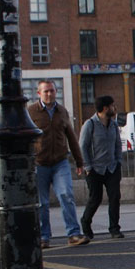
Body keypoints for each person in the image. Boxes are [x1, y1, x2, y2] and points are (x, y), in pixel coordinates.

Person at [26, 80, 88, 248]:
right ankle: (43, 236)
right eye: (45, 91)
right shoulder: (31, 112)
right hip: (39, 162)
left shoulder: (62, 111)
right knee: (42, 202)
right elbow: (26, 139)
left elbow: (72, 137)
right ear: (39, 94)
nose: (49, 94)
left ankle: (73, 233)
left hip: (60, 161)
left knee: (66, 195)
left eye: (52, 91)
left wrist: (79, 161)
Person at [79, 95, 124, 240]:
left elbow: (118, 144)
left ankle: (114, 228)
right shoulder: (90, 124)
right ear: (105, 108)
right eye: (112, 105)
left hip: (111, 168)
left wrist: (118, 162)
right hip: (95, 169)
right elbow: (83, 146)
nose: (114, 108)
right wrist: (88, 166)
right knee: (95, 199)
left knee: (115, 197)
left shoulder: (113, 124)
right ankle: (86, 223)